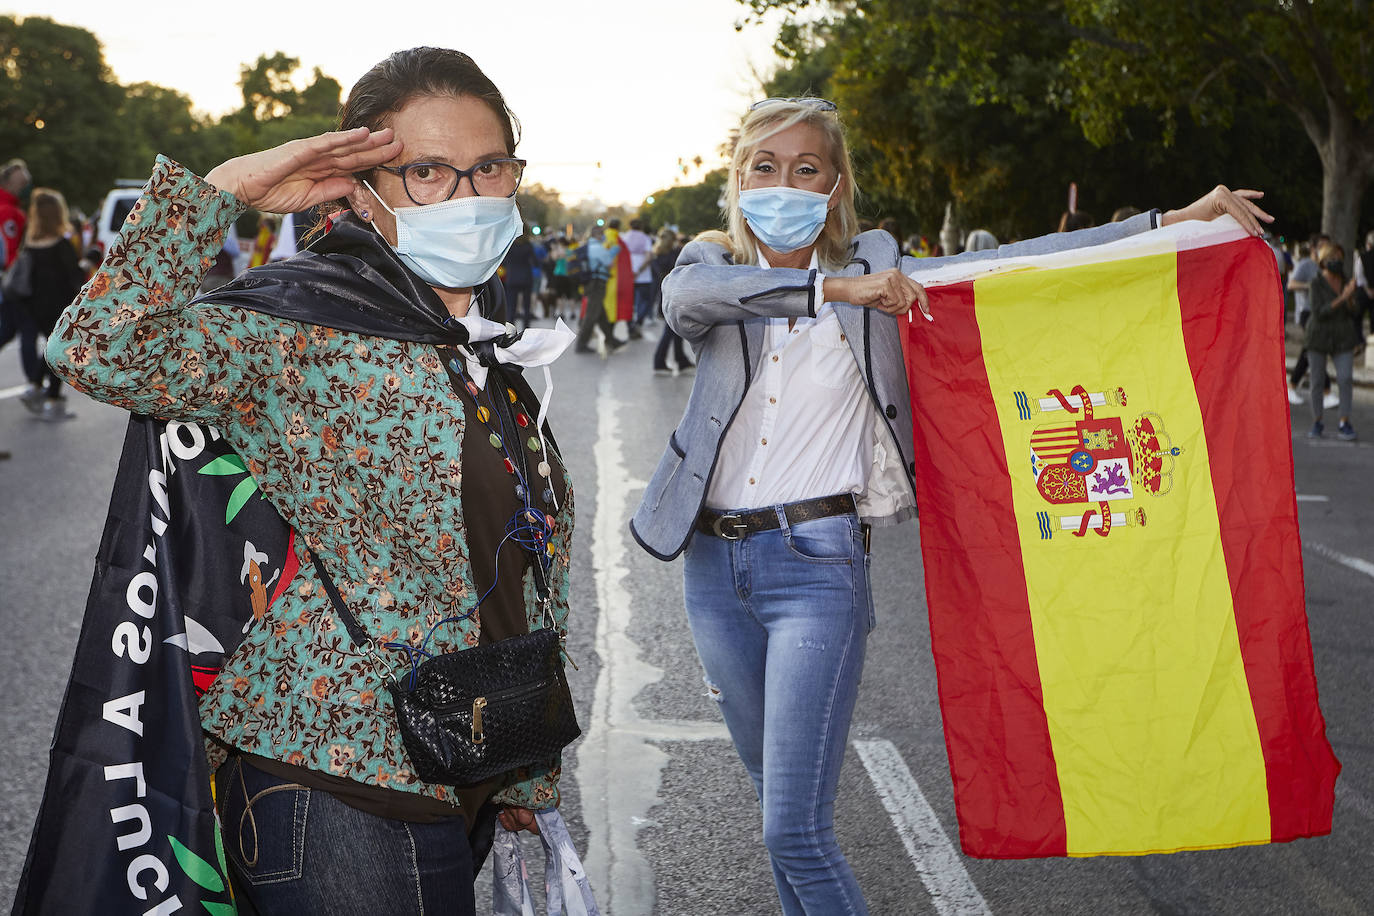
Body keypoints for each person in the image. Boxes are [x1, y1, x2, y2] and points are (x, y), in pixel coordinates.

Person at [629, 95, 1272, 916]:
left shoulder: (884, 273)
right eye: (765, 166)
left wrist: (1170, 222)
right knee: (771, 815)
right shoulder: (711, 264)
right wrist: (837, 293)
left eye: (806, 168)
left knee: (796, 829)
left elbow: (1028, 263)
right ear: (737, 178)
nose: (783, 183)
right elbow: (686, 308)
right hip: (712, 570)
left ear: (835, 185)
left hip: (816, 567)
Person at [46, 47, 575, 914]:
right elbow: (97, 344)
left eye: (489, 167)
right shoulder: (299, 327)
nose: (470, 195)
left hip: (458, 762)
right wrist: (229, 190)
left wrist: (527, 772)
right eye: (428, 172)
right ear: (361, 187)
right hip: (336, 788)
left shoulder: (481, 352)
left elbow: (518, 568)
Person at [13, 188, 85, 420]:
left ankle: (34, 386)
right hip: (60, 307)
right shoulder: (61, 245)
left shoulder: (30, 244)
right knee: (59, 353)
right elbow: (75, 277)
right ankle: (51, 401)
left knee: (49, 348)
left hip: (35, 307)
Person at [1303, 241, 1360, 440]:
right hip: (1318, 336)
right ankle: (1317, 420)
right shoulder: (1316, 283)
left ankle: (1344, 421)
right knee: (1317, 380)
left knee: (1345, 378)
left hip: (1342, 336)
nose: (1336, 262)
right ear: (1323, 262)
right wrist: (1342, 298)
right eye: (1332, 258)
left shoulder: (1345, 281)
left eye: (1339, 258)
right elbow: (1319, 312)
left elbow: (1355, 311)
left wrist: (1352, 298)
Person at [649, 226, 693, 375]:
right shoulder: (675, 254)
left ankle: (680, 360)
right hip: (675, 296)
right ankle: (660, 362)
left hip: (663, 296)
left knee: (674, 331)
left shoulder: (656, 255)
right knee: (671, 331)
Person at [1287, 241, 1320, 405]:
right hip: (1306, 312)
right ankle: (1292, 386)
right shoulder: (1306, 264)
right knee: (1311, 347)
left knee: (1314, 349)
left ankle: (1296, 385)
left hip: (1318, 313)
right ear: (1314, 248)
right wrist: (1309, 286)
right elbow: (1291, 284)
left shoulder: (1322, 266)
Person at [623, 217, 655, 332]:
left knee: (628, 302)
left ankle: (630, 324)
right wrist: (639, 270)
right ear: (641, 226)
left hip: (628, 275)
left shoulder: (624, 237)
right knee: (645, 301)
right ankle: (639, 321)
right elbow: (648, 257)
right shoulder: (645, 238)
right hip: (644, 276)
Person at [501, 228, 537, 328]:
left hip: (512, 277)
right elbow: (535, 262)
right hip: (526, 277)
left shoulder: (510, 245)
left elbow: (504, 262)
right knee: (526, 307)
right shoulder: (528, 245)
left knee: (511, 307)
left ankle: (510, 332)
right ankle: (526, 330)